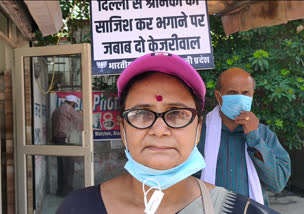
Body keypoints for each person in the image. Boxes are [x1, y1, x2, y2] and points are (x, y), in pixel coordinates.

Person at [57, 53, 279, 213]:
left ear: (198, 129)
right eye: (141, 113)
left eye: (177, 114)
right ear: (123, 129)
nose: (160, 130)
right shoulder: (77, 207)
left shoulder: (241, 210)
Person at [195, 67, 291, 206]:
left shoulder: (263, 134)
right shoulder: (198, 131)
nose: (240, 98)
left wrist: (254, 138)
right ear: (218, 96)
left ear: (252, 95)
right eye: (232, 92)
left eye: (245, 93)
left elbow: (278, 183)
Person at [52, 94, 83, 196]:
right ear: (73, 102)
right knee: (68, 166)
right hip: (65, 140)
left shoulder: (57, 110)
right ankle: (67, 192)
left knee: (61, 166)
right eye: (75, 104)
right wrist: (81, 113)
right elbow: (79, 119)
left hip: (57, 140)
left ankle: (60, 190)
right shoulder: (68, 108)